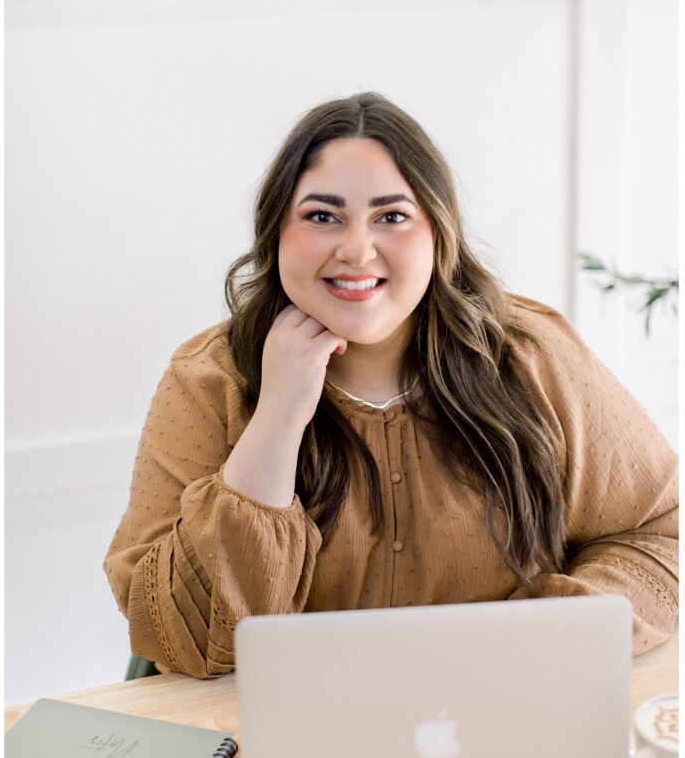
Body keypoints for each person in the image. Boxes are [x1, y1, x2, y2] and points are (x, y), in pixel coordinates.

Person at [104, 92, 678, 678]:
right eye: (322, 216)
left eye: (392, 216)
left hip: (505, 716)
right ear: (277, 231)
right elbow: (181, 638)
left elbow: (658, 535)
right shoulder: (204, 381)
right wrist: (277, 417)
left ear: (438, 233)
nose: (356, 250)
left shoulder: (533, 356)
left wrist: (539, 642)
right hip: (281, 738)